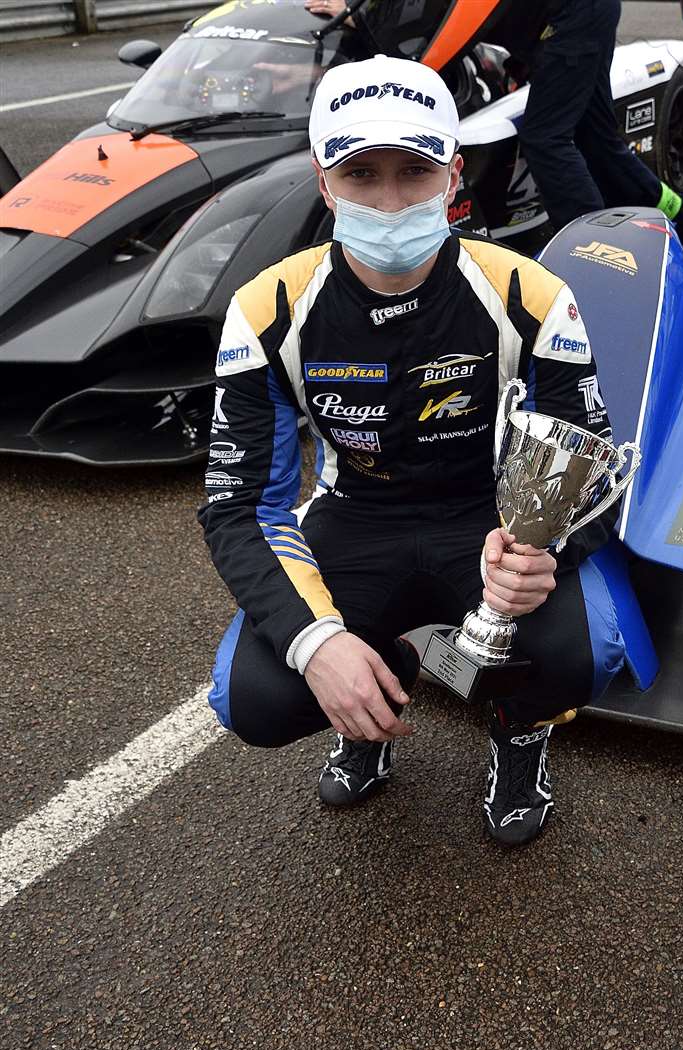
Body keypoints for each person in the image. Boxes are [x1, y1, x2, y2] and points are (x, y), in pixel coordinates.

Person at [200, 56, 627, 847]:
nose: (390, 201)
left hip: (491, 523)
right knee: (257, 697)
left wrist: (548, 551)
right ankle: (366, 711)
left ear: (454, 175)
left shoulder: (530, 292)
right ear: (324, 182)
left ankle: (519, 730)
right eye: (361, 173)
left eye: (415, 171)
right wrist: (319, 644)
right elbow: (238, 503)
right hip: (354, 520)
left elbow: (594, 464)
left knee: (580, 653)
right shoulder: (267, 307)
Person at [495, 0, 683, 245]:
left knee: (546, 137)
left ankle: (595, 250)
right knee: (599, 141)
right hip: (587, 13)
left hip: (570, 17)